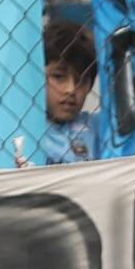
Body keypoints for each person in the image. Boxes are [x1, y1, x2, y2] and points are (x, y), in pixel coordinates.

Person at [21, 22, 104, 168]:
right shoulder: (23, 131)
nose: (71, 89)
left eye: (81, 80)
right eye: (59, 77)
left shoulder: (99, 128)